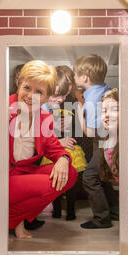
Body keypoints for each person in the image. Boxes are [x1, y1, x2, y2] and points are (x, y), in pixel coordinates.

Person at [0, 60, 78, 239]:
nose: (30, 96)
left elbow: (55, 149)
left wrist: (63, 159)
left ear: (47, 97)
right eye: (27, 87)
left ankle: (7, 219)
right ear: (19, 84)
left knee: (70, 173)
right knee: (45, 184)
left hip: (21, 175)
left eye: (39, 92)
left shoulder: (44, 118)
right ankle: (14, 223)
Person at [73, 54, 116, 229]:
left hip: (103, 141)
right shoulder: (106, 89)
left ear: (84, 78)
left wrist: (78, 110)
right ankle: (114, 212)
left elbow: (90, 132)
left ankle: (101, 218)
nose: (74, 77)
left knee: (90, 177)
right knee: (103, 177)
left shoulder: (90, 100)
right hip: (112, 139)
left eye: (75, 74)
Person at [41, 65, 88, 220]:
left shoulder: (61, 105)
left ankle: (69, 212)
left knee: (69, 181)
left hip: (66, 147)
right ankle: (56, 211)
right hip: (53, 149)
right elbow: (36, 135)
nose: (61, 99)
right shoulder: (38, 105)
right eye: (57, 95)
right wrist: (57, 140)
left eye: (64, 96)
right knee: (56, 182)